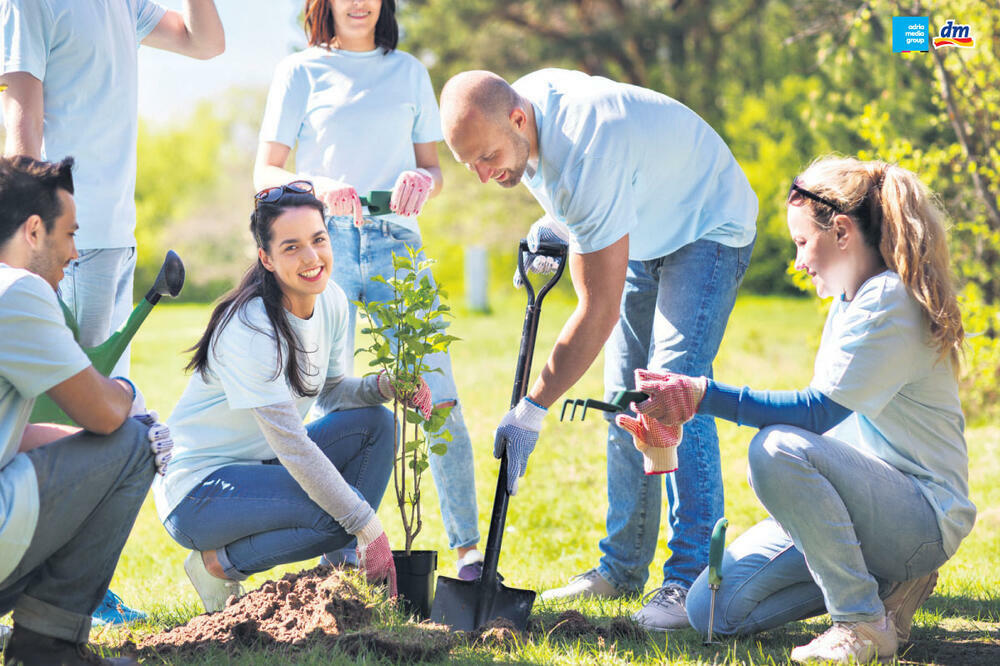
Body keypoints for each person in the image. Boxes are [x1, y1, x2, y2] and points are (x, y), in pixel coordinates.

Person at [439, 69, 757, 627]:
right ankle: (622, 569)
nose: (486, 176)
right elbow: (576, 191)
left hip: (708, 222)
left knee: (669, 396)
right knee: (622, 400)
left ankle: (691, 585)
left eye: (489, 158)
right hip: (646, 222)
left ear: (518, 119)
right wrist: (557, 223)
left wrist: (532, 409)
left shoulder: (588, 152)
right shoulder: (525, 109)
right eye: (472, 167)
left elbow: (597, 311)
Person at [627, 156, 974, 663]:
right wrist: (682, 414)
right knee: (712, 611)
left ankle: (861, 622)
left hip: (918, 518)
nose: (797, 261)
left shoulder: (888, 301)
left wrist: (699, 396)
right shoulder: (849, 301)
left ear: (841, 231)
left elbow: (814, 415)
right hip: (867, 509)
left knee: (776, 449)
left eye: (801, 242)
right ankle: (886, 587)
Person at [1, 0, 224, 626]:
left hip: (113, 236)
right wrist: (30, 237)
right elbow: (23, 118)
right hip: (65, 240)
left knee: (111, 418)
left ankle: (66, 588)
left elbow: (205, 43)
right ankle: (58, 593)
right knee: (82, 413)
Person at [253, 0, 484, 579]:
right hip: (323, 243)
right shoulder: (299, 71)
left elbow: (432, 168)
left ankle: (469, 555)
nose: (359, 3)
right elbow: (266, 173)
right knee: (326, 394)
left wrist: (420, 179)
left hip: (397, 245)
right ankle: (336, 554)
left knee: (439, 392)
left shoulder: (408, 70)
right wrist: (318, 186)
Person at [152, 182, 427, 612]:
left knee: (378, 423)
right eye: (292, 247)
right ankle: (217, 564)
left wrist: (384, 387)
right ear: (266, 258)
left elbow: (332, 393)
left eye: (318, 240)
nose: (312, 258)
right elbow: (294, 446)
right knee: (337, 515)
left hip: (262, 466)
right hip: (198, 491)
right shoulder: (251, 327)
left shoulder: (330, 299)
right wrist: (366, 526)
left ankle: (343, 570)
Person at [0, 156, 172, 666]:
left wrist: (73, 446)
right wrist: (128, 393)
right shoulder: (19, 291)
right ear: (34, 231)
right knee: (134, 441)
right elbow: (102, 413)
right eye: (70, 234)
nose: (75, 253)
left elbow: (14, 433)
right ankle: (49, 644)